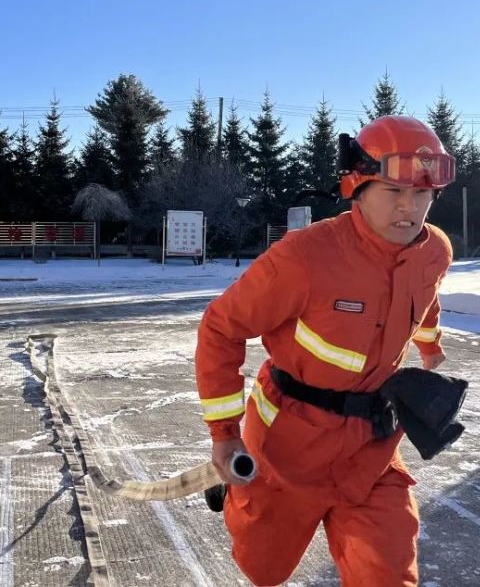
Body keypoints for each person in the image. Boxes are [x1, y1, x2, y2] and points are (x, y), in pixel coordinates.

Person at [195, 115, 456, 586]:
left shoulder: (434, 249)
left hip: (371, 448)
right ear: (358, 187)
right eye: (393, 192)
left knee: (388, 571)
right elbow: (220, 328)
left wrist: (429, 347)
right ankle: (235, 494)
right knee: (263, 569)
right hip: (286, 447)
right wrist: (224, 434)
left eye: (421, 194)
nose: (409, 208)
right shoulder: (304, 258)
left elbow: (426, 295)